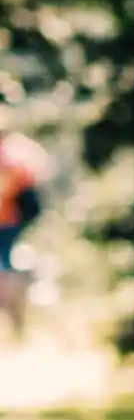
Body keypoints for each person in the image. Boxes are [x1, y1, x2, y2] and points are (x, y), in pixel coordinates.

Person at [0, 128, 48, 343]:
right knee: (7, 265)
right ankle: (16, 323)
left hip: (6, 220)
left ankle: (14, 319)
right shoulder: (18, 152)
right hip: (12, 220)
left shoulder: (7, 158)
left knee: (5, 269)